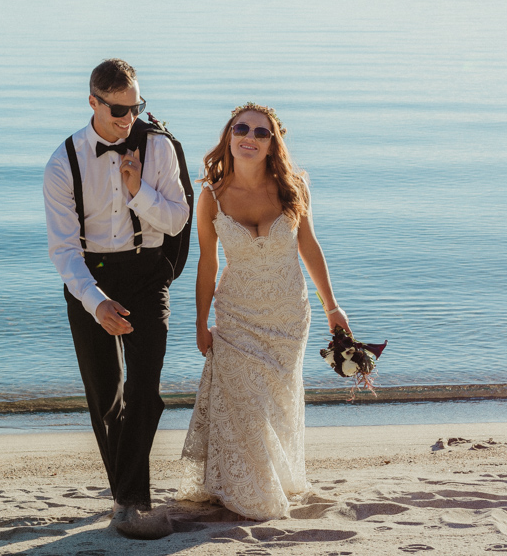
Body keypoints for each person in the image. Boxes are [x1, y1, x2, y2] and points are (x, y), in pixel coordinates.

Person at [177, 102, 351, 521]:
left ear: (273, 144)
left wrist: (332, 306)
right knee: (245, 404)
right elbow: (207, 263)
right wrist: (200, 322)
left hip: (288, 317)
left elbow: (308, 246)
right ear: (228, 137)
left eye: (261, 132)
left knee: (274, 403)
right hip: (236, 315)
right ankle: (250, 490)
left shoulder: (294, 187)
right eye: (242, 129)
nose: (249, 138)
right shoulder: (212, 196)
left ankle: (265, 476)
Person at [43, 59, 190, 538]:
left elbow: (176, 221)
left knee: (145, 388)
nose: (130, 118)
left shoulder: (160, 148)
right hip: (91, 276)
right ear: (93, 102)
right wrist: (96, 301)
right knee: (106, 397)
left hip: (147, 275)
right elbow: (64, 251)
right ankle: (126, 497)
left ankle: (131, 501)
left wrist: (137, 190)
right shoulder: (62, 162)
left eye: (136, 107)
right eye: (119, 110)